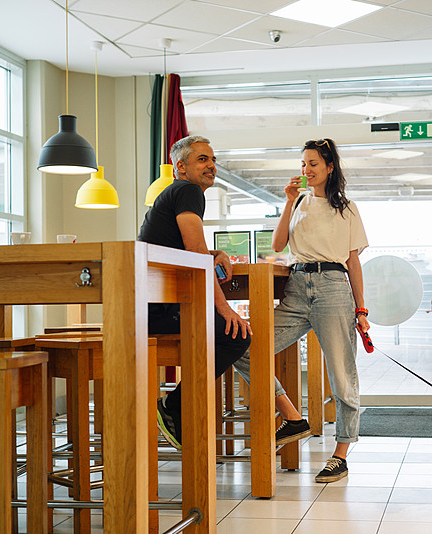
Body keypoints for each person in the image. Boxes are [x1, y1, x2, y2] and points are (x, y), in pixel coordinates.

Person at [138, 135, 309, 449]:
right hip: (160, 310)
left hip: (150, 307)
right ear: (180, 167)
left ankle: (179, 407)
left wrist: (216, 253)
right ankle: (174, 406)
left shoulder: (175, 194)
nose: (211, 166)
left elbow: (192, 252)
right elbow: (195, 256)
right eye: (202, 159)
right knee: (236, 334)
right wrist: (225, 308)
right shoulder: (187, 191)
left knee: (235, 334)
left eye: (212, 159)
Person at [249, 137, 369, 483]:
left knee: (342, 376)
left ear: (330, 167)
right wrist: (287, 203)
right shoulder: (298, 202)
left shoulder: (346, 208)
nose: (307, 170)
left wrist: (361, 309)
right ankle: (292, 416)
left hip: (333, 287)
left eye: (314, 164)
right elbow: (276, 245)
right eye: (303, 164)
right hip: (298, 287)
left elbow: (353, 262)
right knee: (249, 346)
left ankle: (340, 454)